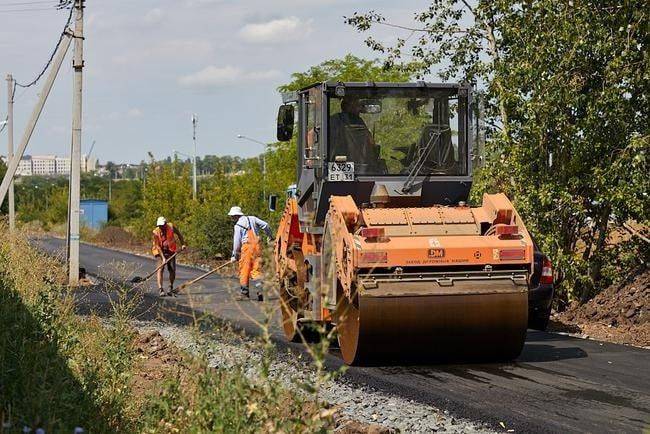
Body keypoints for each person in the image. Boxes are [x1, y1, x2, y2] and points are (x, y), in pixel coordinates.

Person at [229, 206, 273, 301]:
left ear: (235, 216)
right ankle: (260, 291)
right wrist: (270, 236)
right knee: (256, 270)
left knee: (244, 270)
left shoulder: (238, 226)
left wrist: (234, 255)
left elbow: (237, 242)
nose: (232, 218)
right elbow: (266, 225)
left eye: (232, 216)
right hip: (257, 247)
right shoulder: (252, 218)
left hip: (247, 248)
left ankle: (244, 294)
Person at [329, 96, 379, 172]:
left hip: (356, 167)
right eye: (357, 105)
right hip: (344, 166)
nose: (360, 109)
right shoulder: (337, 120)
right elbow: (371, 142)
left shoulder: (336, 119)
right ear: (348, 106)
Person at [151, 216, 186, 296]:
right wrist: (163, 258)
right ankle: (161, 289)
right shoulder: (155, 232)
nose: (161, 227)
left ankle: (170, 287)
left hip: (171, 250)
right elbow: (158, 246)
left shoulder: (171, 227)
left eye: (162, 225)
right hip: (160, 251)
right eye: (159, 226)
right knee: (160, 268)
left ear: (165, 224)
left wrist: (183, 244)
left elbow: (179, 234)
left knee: (172, 270)